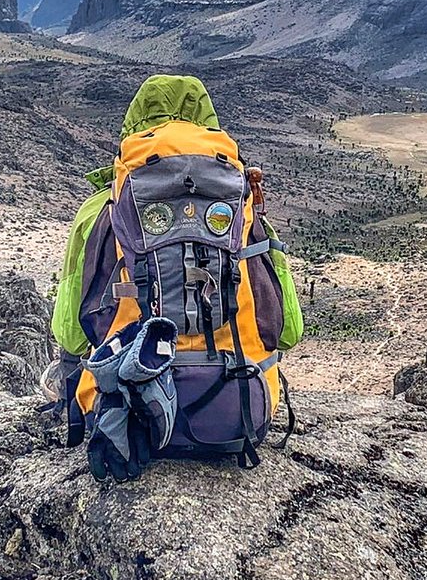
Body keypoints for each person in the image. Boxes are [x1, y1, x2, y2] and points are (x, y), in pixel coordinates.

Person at [48, 74, 304, 481]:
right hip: (239, 410)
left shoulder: (100, 210)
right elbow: (288, 330)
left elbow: (71, 334)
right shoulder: (244, 207)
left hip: (128, 417)